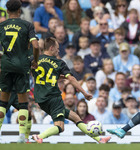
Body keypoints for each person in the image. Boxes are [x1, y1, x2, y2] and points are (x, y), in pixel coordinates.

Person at [31, 37, 110, 143]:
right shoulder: (59, 63)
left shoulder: (35, 60)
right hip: (53, 97)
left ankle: (99, 139)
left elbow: (43, 75)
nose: (59, 51)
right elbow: (71, 78)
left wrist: (60, 77)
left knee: (75, 117)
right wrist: (84, 92)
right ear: (51, 47)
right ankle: (39, 136)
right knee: (60, 127)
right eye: (57, 48)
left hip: (40, 98)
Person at [0, 0, 39, 143]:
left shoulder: (1, 26)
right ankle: (22, 136)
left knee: (2, 102)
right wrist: (35, 61)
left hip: (6, 65)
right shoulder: (27, 25)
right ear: (19, 10)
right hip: (22, 65)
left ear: (6, 10)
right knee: (23, 103)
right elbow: (35, 45)